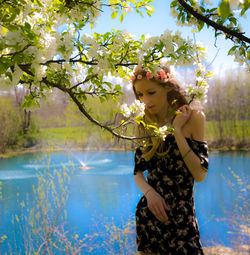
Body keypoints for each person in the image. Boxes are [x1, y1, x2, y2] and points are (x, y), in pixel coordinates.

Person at [132, 65, 209, 255]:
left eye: (151, 92)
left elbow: (200, 174)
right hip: (149, 220)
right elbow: (138, 172)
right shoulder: (143, 123)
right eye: (140, 95)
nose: (145, 100)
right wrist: (150, 194)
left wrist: (177, 132)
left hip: (183, 224)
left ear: (167, 88)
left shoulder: (194, 118)